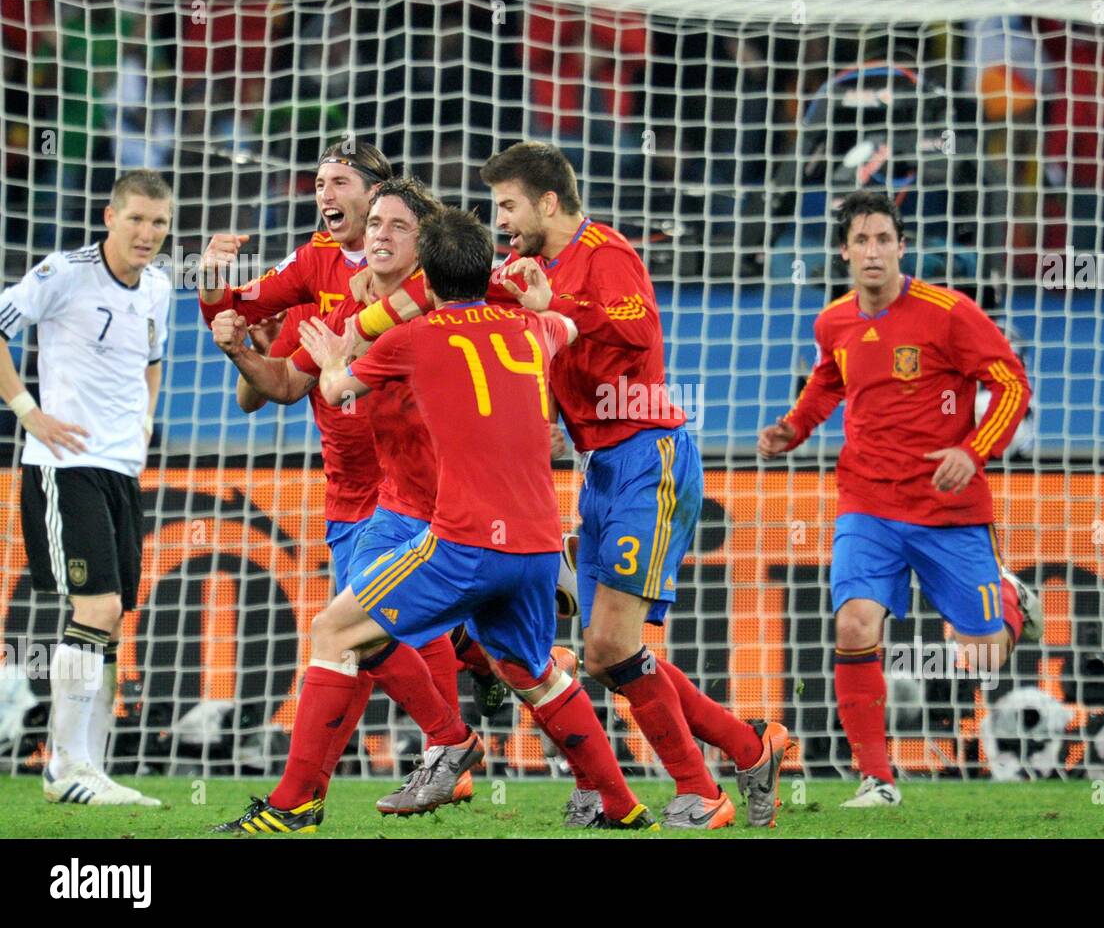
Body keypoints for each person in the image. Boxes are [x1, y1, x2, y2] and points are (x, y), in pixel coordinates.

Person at [217, 206, 657, 832]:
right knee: (533, 673)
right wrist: (540, 301)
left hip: (464, 542)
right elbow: (566, 324)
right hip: (536, 545)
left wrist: (337, 355)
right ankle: (622, 804)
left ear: (427, 272)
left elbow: (338, 392)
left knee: (332, 632)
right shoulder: (533, 330)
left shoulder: (409, 338)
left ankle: (296, 805)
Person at [483, 141, 790, 829]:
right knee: (603, 650)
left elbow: (637, 326)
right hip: (599, 465)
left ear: (549, 202)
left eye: (509, 204)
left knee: (614, 646)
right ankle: (751, 745)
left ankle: (701, 793)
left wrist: (552, 305)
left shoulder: (604, 251)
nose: (500, 218)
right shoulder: (518, 267)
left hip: (648, 456)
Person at [758, 191, 1040, 808]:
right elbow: (828, 380)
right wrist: (794, 428)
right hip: (867, 502)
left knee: (986, 652)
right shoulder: (832, 321)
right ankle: (878, 780)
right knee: (854, 623)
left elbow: (1011, 382)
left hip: (948, 509)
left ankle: (1010, 596)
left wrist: (974, 450)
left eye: (884, 238)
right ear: (843, 251)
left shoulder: (949, 313)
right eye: (861, 240)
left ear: (902, 246)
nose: (873, 251)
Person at [210, 179, 475, 823]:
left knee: (349, 631)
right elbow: (279, 383)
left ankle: (453, 732)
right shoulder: (328, 303)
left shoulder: (441, 297)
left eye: (392, 224)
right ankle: (461, 721)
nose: (377, 234)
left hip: (453, 506)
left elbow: (344, 374)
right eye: (374, 224)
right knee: (352, 635)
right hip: (383, 501)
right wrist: (233, 333)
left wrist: (359, 334)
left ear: (423, 241)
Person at [0, 170, 172, 807]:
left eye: (159, 223)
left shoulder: (157, 288)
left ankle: (89, 769)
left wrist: (147, 423)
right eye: (136, 220)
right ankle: (63, 768)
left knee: (111, 619)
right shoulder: (62, 273)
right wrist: (26, 410)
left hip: (121, 470)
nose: (148, 234)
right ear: (109, 216)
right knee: (94, 609)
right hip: (61, 463)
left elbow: (153, 361)